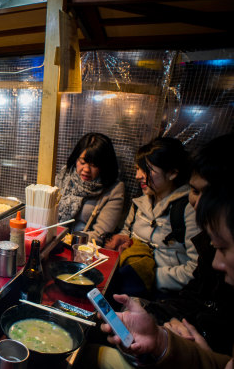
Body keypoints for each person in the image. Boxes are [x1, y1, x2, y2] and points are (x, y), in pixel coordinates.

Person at [99, 182, 234, 368]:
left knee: (90, 353)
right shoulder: (139, 202)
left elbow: (190, 275)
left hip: (163, 294)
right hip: (172, 317)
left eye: (223, 248)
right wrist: (161, 340)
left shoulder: (184, 210)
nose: (215, 263)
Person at [139, 133, 234, 354]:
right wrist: (157, 315)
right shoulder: (143, 201)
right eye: (194, 190)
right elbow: (195, 293)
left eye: (204, 193)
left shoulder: (187, 212)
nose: (198, 203)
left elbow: (192, 275)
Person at [106, 137, 200, 294]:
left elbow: (195, 270)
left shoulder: (188, 209)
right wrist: (122, 241)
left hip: (163, 295)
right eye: (137, 169)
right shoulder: (139, 203)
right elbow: (127, 233)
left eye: (146, 170)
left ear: (172, 173)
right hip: (128, 285)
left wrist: (145, 275)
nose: (138, 176)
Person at [55, 133, 125, 245]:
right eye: (82, 162)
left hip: (84, 248)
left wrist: (67, 240)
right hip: (54, 239)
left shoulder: (114, 189)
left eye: (94, 165)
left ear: (104, 166)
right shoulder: (65, 175)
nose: (86, 169)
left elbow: (100, 234)